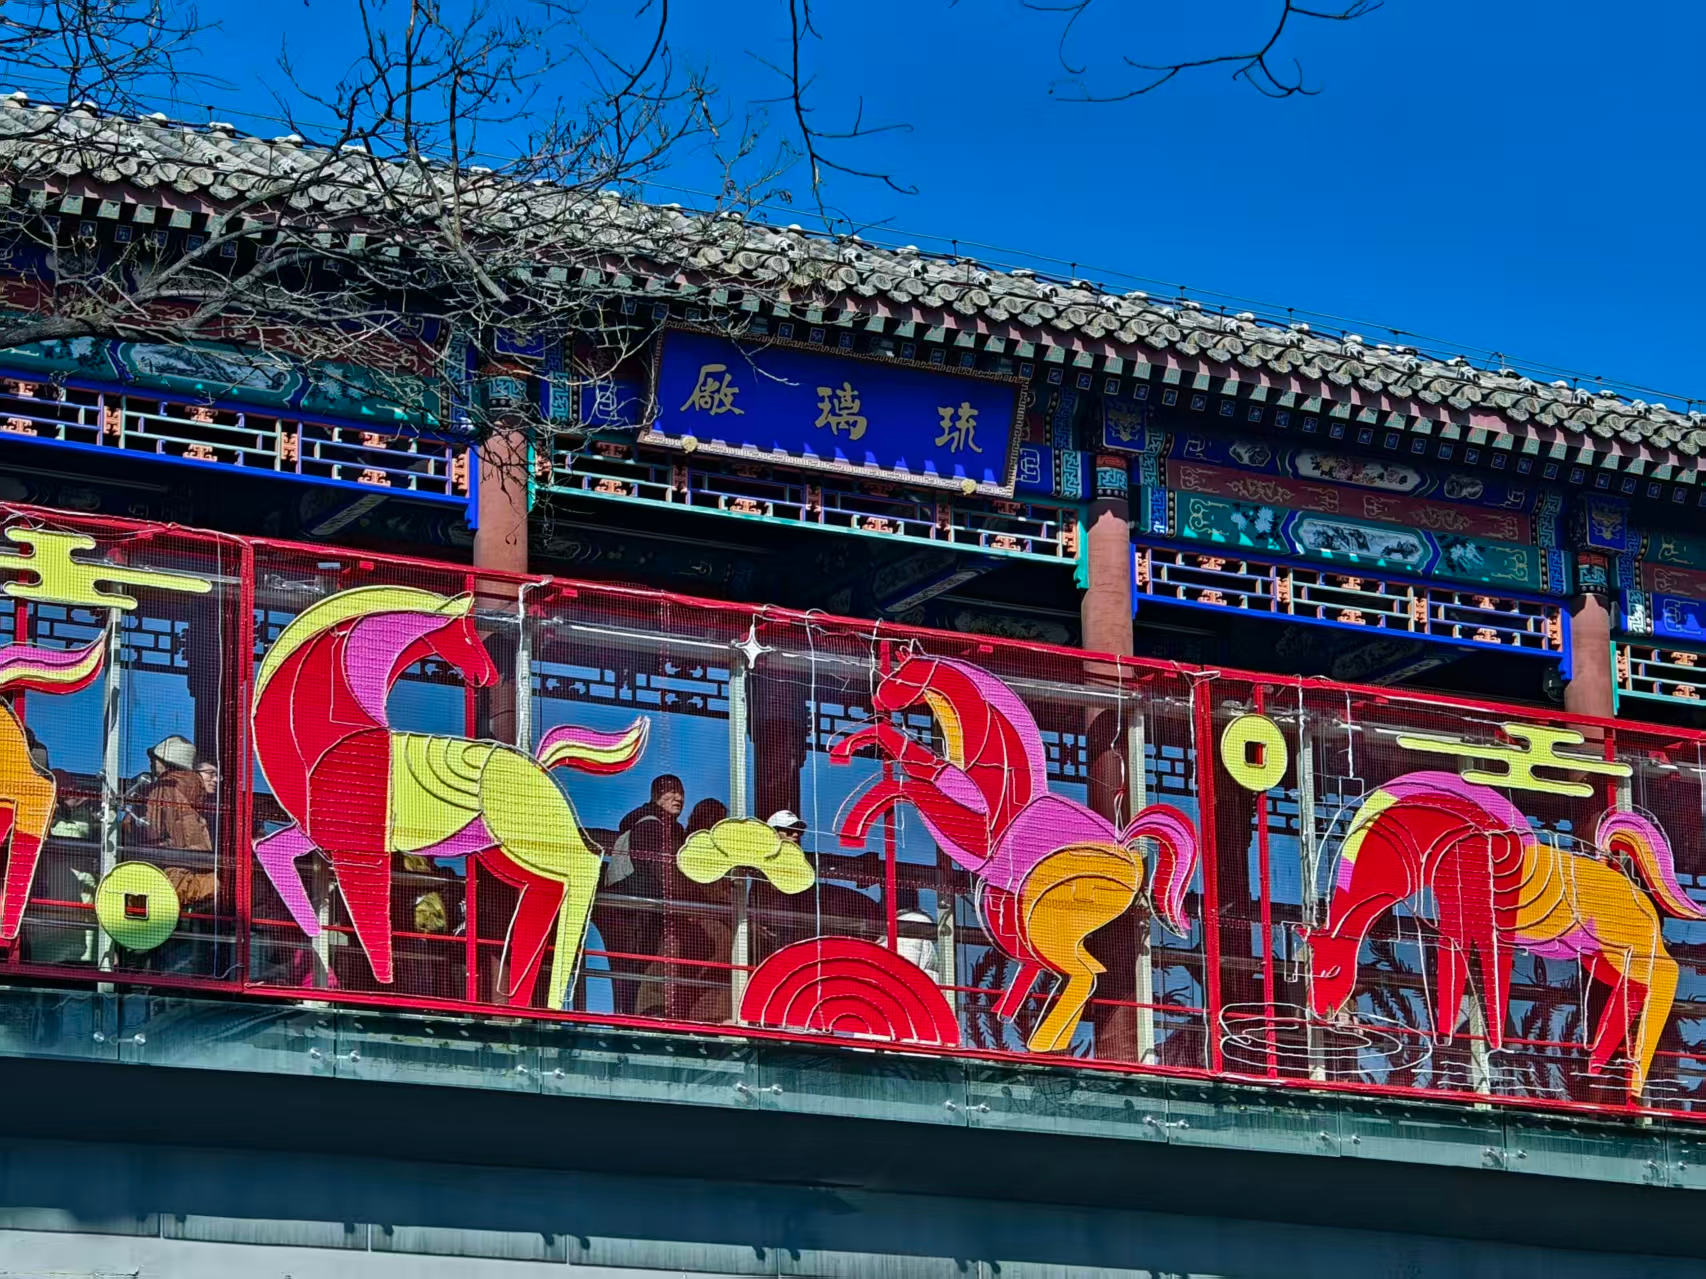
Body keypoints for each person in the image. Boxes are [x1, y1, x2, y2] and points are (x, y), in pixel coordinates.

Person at [596, 774, 687, 1013]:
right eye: (671, 792)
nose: (678, 797)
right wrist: (681, 899)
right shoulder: (651, 825)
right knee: (638, 969)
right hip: (638, 913)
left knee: (631, 972)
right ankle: (631, 1015)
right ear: (656, 796)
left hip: (634, 911)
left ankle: (627, 1014)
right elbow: (658, 869)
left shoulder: (657, 826)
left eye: (680, 793)